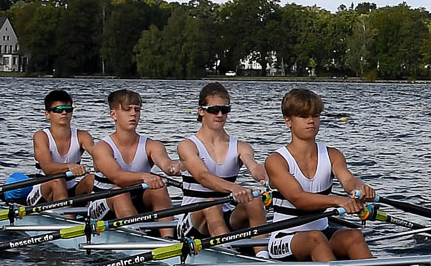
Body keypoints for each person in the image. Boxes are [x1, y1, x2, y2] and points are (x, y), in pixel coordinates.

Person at [262, 87, 378, 266]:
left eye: (315, 115)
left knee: (354, 236)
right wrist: (337, 201)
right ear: (288, 121)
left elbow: (348, 180)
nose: (311, 121)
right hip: (284, 238)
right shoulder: (276, 161)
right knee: (315, 238)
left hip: (321, 233)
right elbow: (298, 198)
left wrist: (360, 188)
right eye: (303, 116)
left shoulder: (332, 155)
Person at [176, 82, 269, 238]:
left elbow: (253, 167)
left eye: (225, 110)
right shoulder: (188, 146)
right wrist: (234, 188)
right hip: (192, 220)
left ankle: (262, 256)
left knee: (254, 200)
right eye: (214, 110)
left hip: (225, 214)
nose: (220, 115)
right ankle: (228, 252)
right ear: (201, 111)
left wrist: (266, 177)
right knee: (211, 205)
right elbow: (203, 177)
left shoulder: (241, 147)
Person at [90, 88, 178, 224]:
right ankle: (136, 237)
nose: (133, 114)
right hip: (104, 204)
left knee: (159, 189)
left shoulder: (152, 145)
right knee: (119, 193)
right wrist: (144, 176)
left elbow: (166, 164)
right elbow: (117, 177)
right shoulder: (102, 148)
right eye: (127, 109)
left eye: (137, 110)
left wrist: (176, 167)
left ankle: (168, 237)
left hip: (136, 200)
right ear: (113, 114)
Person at [29, 88, 98, 207]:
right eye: (58, 110)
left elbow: (99, 156)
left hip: (70, 190)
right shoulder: (41, 136)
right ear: (47, 114)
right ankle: (68, 217)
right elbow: (47, 168)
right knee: (58, 181)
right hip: (43, 192)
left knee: (92, 178)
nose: (64, 113)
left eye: (68, 109)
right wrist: (69, 166)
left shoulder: (83, 136)